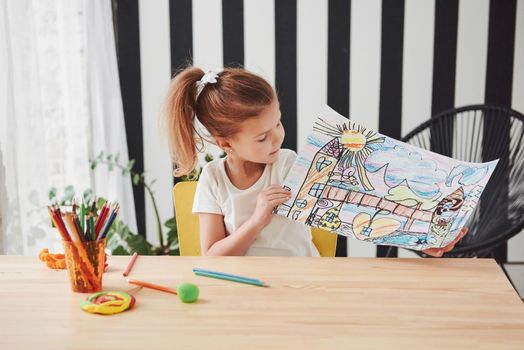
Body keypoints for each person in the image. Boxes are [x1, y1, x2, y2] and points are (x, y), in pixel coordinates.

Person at [164, 66, 467, 257]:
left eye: (278, 125)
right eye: (261, 137)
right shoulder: (213, 179)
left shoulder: (286, 165)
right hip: (243, 288)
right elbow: (213, 256)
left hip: (303, 280)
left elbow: (356, 207)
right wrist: (257, 220)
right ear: (225, 143)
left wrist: (419, 239)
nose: (277, 139)